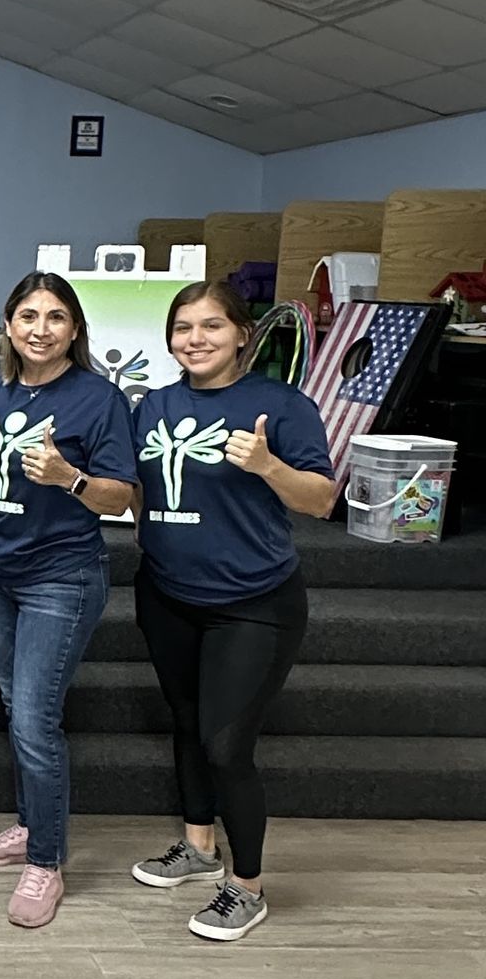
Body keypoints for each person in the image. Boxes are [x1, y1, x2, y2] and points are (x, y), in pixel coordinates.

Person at [128, 280, 335, 942]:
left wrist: (269, 465)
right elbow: (138, 492)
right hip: (166, 594)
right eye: (183, 327)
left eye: (211, 326)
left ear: (243, 333)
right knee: (188, 722)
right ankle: (197, 846)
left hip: (254, 605)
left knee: (226, 743)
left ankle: (246, 885)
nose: (195, 339)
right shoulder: (153, 405)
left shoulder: (280, 405)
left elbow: (321, 500)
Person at [0, 273, 138, 928]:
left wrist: (69, 476)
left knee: (33, 719)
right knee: (15, 706)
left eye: (56, 317)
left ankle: (47, 862)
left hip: (62, 577)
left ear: (75, 330)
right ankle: (31, 827)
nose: (40, 328)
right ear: (7, 325)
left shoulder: (98, 398)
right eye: (27, 315)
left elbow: (121, 497)